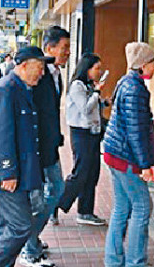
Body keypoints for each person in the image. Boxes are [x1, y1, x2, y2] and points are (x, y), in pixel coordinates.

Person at [0, 46, 51, 267]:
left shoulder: (21, 88)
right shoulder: (6, 90)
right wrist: (7, 171)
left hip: (17, 170)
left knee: (6, 226)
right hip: (8, 174)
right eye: (39, 67)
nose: (42, 73)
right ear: (24, 65)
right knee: (21, 226)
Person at [103, 42, 154, 267]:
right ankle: (136, 262)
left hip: (115, 153)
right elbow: (136, 131)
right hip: (126, 157)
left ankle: (114, 260)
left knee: (122, 207)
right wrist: (145, 165)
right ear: (142, 65)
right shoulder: (136, 89)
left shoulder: (125, 81)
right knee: (141, 207)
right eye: (152, 64)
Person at [20, 25, 70, 267]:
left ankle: (31, 240)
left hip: (50, 145)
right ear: (49, 48)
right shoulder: (37, 76)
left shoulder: (55, 73)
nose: (68, 52)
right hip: (37, 149)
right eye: (64, 48)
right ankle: (29, 248)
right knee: (38, 199)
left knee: (56, 190)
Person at [57, 53, 108, 226]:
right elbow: (85, 108)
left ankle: (85, 211)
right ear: (87, 68)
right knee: (81, 173)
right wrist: (97, 92)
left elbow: (93, 106)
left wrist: (103, 101)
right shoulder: (77, 86)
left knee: (92, 173)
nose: (99, 72)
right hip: (81, 134)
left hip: (93, 133)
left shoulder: (87, 85)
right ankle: (56, 203)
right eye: (97, 68)